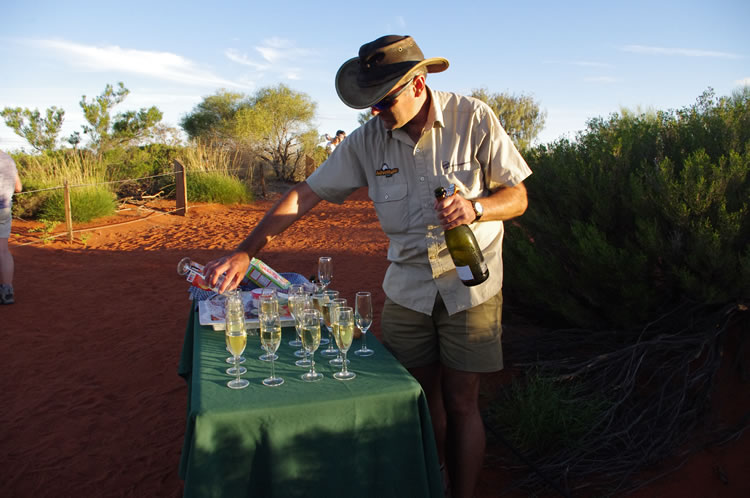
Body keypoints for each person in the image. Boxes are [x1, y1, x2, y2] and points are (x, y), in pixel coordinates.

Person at [204, 35, 531, 498]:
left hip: (471, 287)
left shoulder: (473, 118)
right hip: (408, 289)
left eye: (384, 101)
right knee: (418, 400)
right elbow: (306, 194)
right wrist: (248, 249)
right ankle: (430, 481)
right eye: (369, 104)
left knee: (462, 401)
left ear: (417, 83)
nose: (375, 113)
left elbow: (517, 196)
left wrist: (476, 209)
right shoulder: (366, 141)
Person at [0, 150, 22, 304]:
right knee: (3, 251)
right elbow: (18, 188)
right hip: (4, 209)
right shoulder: (9, 159)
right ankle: (7, 291)